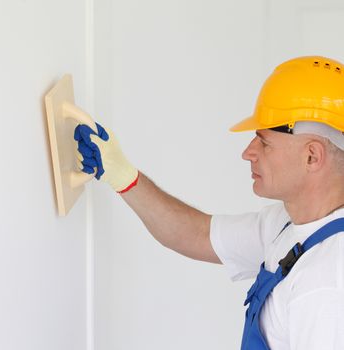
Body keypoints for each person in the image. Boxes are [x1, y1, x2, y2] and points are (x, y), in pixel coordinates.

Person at [74, 56, 344, 350]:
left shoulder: (326, 285)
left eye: (264, 142)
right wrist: (123, 175)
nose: (248, 152)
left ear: (312, 156)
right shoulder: (287, 225)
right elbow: (197, 234)